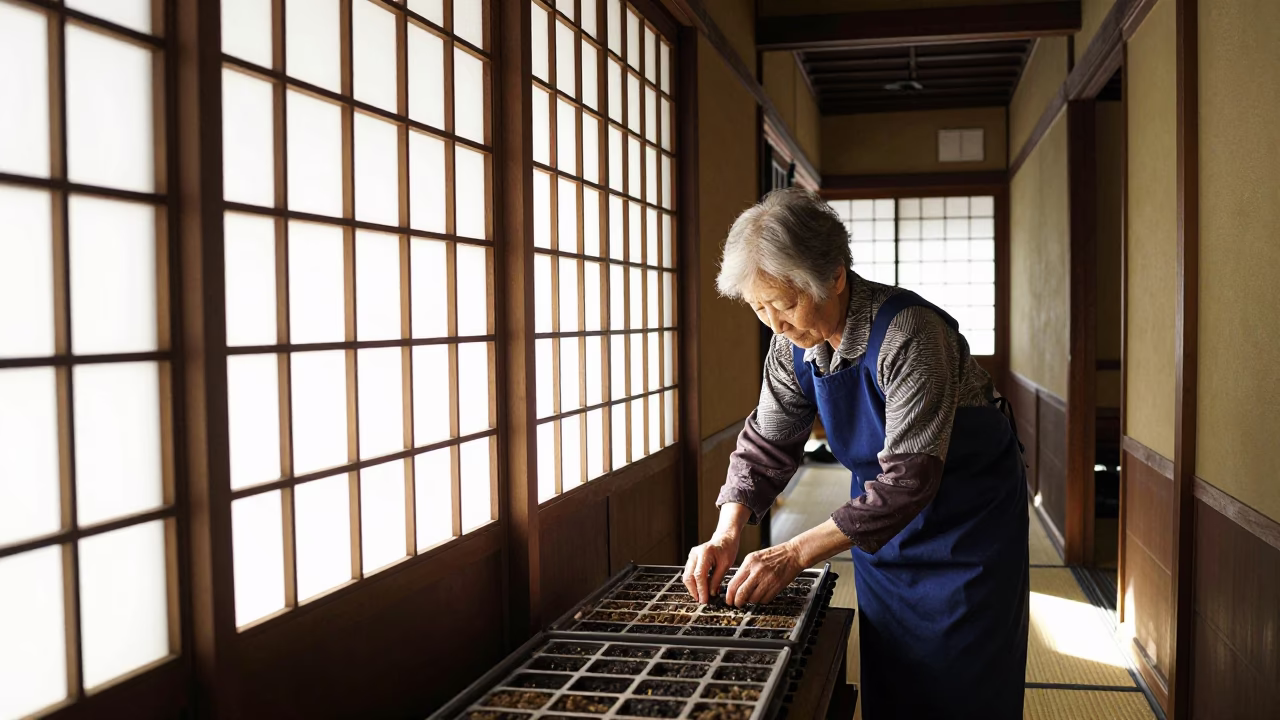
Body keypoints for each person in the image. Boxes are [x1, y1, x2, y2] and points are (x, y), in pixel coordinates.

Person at [683, 189, 1029, 719]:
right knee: (894, 667)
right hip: (879, 525)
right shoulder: (790, 343)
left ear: (835, 277)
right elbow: (767, 443)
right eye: (759, 308)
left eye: (786, 304)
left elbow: (909, 480)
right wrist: (726, 531)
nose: (776, 324)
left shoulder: (910, 334)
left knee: (966, 679)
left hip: (968, 520)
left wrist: (793, 554)